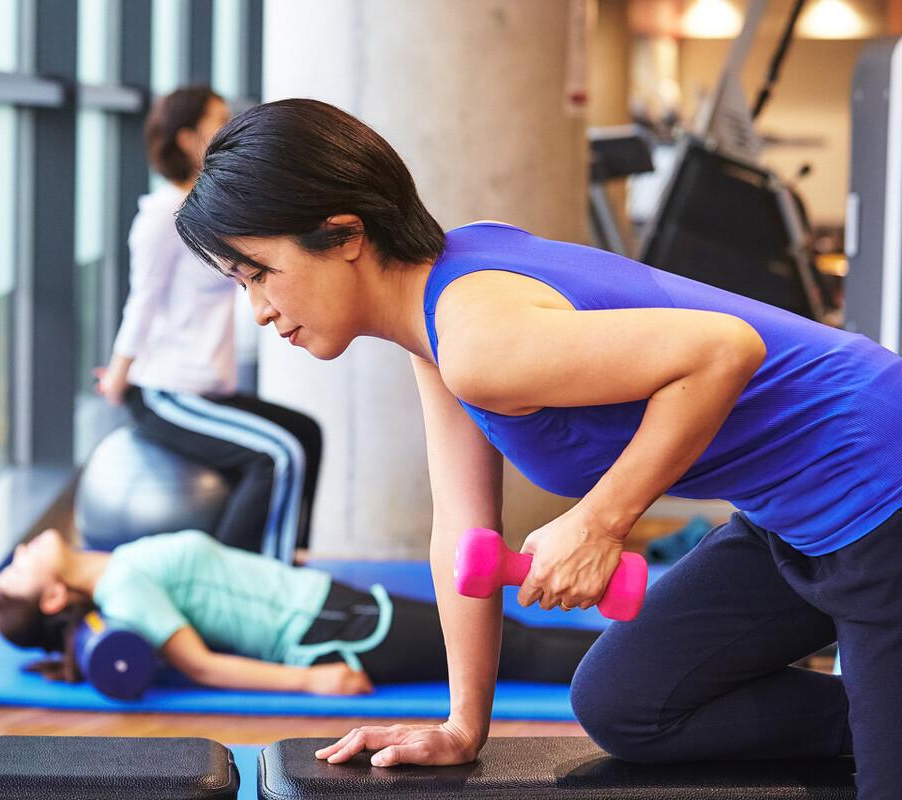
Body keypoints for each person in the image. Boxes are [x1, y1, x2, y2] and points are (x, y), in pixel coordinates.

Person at [173, 98, 902, 798]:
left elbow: (724, 350)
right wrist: (462, 726)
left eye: (259, 274)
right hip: (793, 515)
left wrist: (599, 524)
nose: (259, 310)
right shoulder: (439, 324)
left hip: (878, 486)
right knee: (628, 702)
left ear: (345, 235)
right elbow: (463, 531)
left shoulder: (477, 339)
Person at [96, 85, 321, 559]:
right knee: (277, 455)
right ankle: (239, 581)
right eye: (218, 119)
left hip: (207, 387)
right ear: (187, 139)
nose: (229, 126)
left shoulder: (216, 213)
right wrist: (119, 374)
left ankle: (288, 557)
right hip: (166, 390)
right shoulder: (162, 216)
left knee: (305, 432)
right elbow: (142, 302)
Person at [0, 528, 599, 693]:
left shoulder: (119, 567)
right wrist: (312, 681)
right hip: (328, 632)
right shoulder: (124, 590)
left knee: (507, 635)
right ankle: (641, 670)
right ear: (52, 597)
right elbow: (200, 666)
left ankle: (637, 657)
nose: (21, 550)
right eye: (16, 569)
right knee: (511, 648)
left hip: (331, 607)